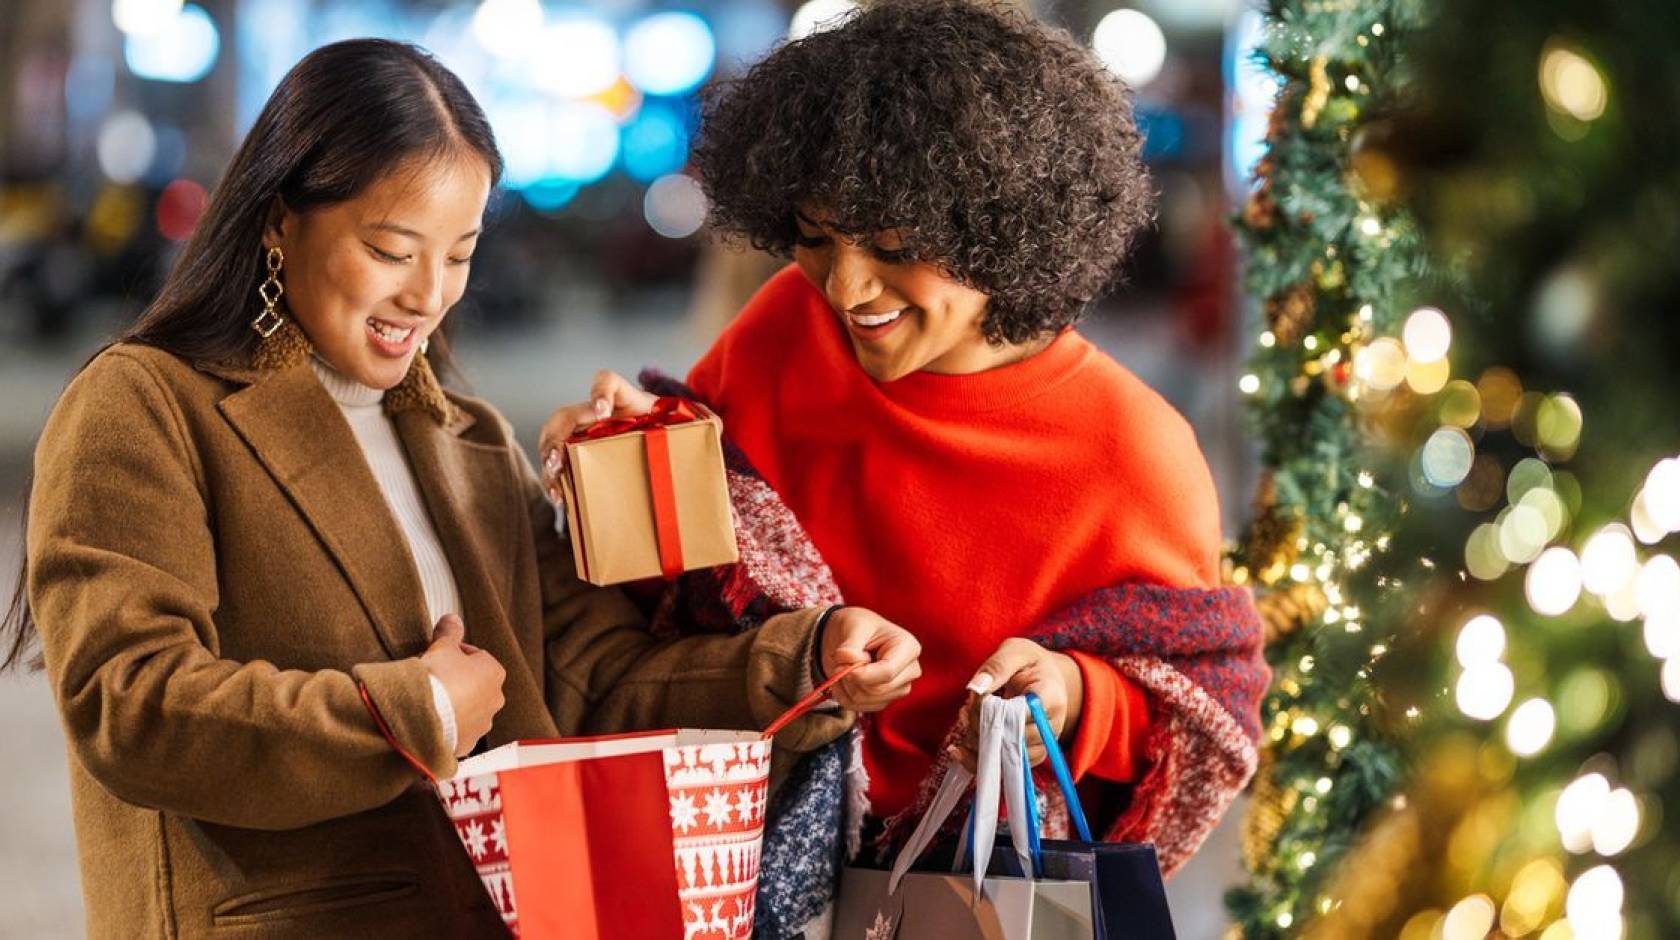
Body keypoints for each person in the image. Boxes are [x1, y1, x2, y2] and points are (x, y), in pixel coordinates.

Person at [1, 39, 920, 939]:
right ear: (280, 218)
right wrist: (419, 709)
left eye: (460, 253)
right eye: (392, 249)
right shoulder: (146, 405)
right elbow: (132, 706)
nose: (428, 295)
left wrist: (805, 658)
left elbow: (594, 682)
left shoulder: (463, 436)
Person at [540, 1, 1268, 933]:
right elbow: (672, 596)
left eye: (892, 248)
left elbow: (1197, 717)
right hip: (739, 886)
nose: (846, 289)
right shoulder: (780, 335)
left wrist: (1076, 695)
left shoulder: (1133, 453)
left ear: (1001, 226)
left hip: (974, 904)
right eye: (814, 238)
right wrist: (624, 456)